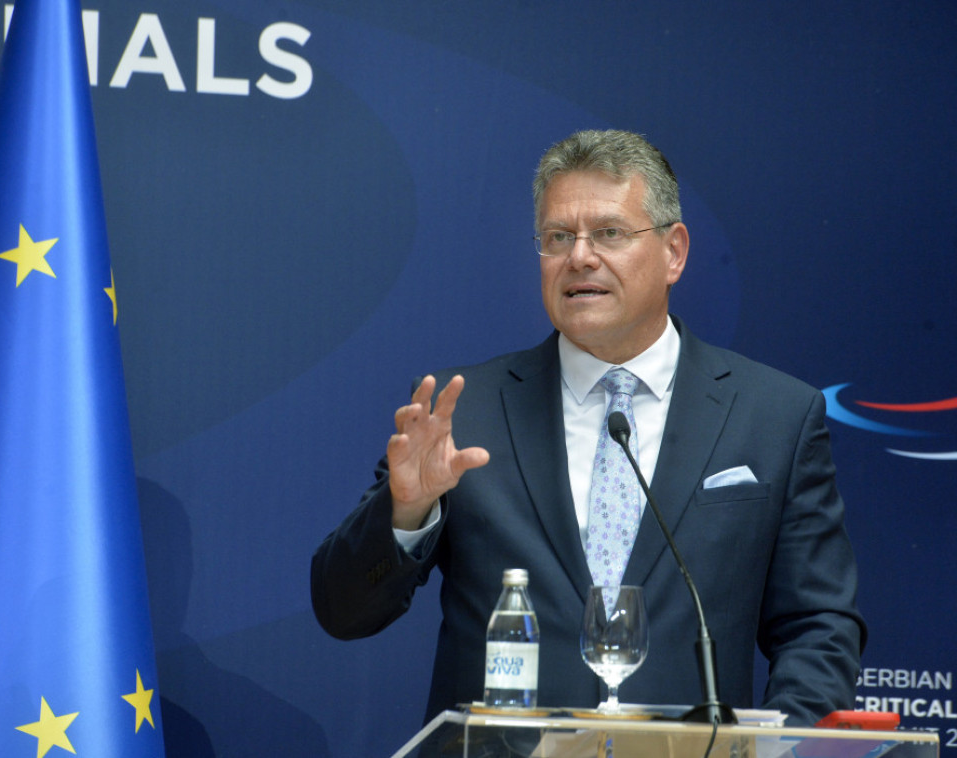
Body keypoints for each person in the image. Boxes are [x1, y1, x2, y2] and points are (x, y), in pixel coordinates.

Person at [310, 129, 865, 725]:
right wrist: (405, 510)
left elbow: (818, 628)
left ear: (674, 252)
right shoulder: (464, 412)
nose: (579, 257)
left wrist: (777, 750)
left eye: (609, 233)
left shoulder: (775, 415)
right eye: (558, 237)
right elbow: (344, 611)